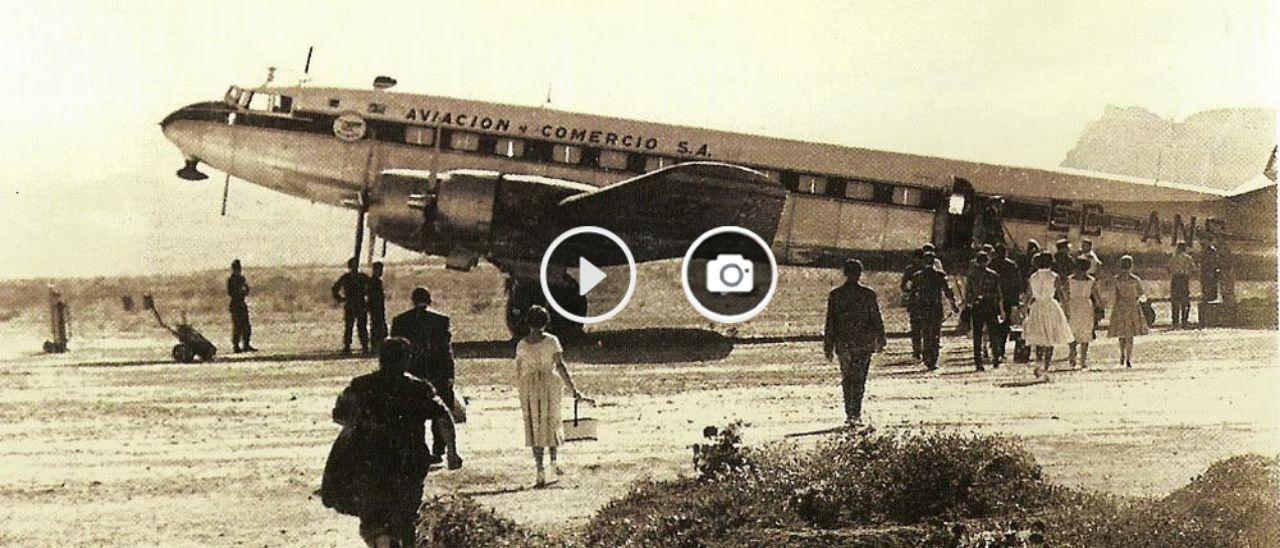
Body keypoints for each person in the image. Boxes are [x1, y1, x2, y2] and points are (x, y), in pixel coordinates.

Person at [321, 337, 462, 548]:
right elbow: (444, 418)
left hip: (371, 462)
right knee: (406, 515)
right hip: (409, 462)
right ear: (406, 360)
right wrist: (452, 452)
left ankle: (383, 540)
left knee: (375, 516)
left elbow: (339, 415)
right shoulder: (419, 388)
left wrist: (362, 424)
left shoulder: (361, 386)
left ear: (381, 360)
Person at [515, 305, 585, 487]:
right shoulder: (552, 341)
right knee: (552, 420)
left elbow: (519, 371)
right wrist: (573, 388)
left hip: (530, 385)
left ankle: (539, 469)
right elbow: (560, 365)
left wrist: (522, 391)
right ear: (546, 322)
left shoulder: (521, 345)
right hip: (549, 382)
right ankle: (553, 463)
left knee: (535, 424)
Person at [391, 287, 457, 462]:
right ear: (430, 300)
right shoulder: (442, 320)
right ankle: (438, 450)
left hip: (411, 371)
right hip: (437, 372)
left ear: (413, 300)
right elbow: (446, 351)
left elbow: (394, 351)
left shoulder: (400, 321)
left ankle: (417, 449)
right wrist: (450, 374)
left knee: (412, 414)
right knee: (439, 410)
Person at [824, 259, 886, 424]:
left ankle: (850, 413)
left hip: (844, 344)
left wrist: (828, 345)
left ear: (845, 273)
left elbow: (830, 323)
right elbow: (876, 319)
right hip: (863, 344)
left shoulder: (836, 295)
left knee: (847, 378)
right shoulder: (868, 295)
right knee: (859, 379)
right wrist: (881, 338)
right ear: (860, 274)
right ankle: (855, 413)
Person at [1022, 252, 1073, 378]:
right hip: (1050, 306)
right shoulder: (1054, 276)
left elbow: (1029, 295)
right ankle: (1046, 365)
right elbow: (1060, 293)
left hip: (1037, 306)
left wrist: (1024, 308)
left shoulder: (1032, 277)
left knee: (1039, 336)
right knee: (1050, 337)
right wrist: (1066, 307)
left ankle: (1039, 363)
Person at [909, 256, 958, 370]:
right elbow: (948, 291)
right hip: (936, 308)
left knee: (926, 333)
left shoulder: (918, 276)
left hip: (923, 308)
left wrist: (913, 307)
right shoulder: (939, 275)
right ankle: (934, 359)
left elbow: (912, 293)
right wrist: (953, 304)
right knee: (935, 334)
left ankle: (927, 358)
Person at [1109, 255, 1149, 368]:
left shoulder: (1117, 279)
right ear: (1131, 265)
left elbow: (1115, 295)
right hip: (1132, 306)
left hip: (1121, 306)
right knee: (1130, 334)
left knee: (1121, 333)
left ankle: (1122, 353)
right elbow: (1142, 294)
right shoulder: (1135, 279)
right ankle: (1128, 357)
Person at [1064, 257, 1102, 369]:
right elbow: (1096, 296)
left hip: (1073, 305)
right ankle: (1083, 359)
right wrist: (1099, 307)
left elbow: (1065, 294)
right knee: (1085, 331)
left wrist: (1065, 306)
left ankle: (1072, 354)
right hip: (1086, 305)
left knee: (1073, 330)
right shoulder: (1091, 281)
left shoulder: (1069, 280)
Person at [991, 245, 1023, 364]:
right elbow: (1017, 283)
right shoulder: (1012, 265)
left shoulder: (992, 264)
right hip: (1008, 299)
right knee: (1005, 326)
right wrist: (1016, 299)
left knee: (994, 324)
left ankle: (996, 349)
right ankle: (1001, 350)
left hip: (995, 299)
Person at [332, 257, 372, 354]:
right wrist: (340, 298)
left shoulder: (361, 277)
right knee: (349, 327)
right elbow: (335, 288)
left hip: (358, 304)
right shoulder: (348, 277)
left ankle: (364, 346)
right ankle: (348, 346)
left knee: (361, 326)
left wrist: (367, 296)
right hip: (352, 304)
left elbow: (371, 287)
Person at [900, 247, 931, 361]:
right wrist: (909, 291)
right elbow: (903, 285)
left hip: (922, 301)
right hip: (916, 302)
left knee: (923, 327)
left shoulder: (924, 270)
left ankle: (922, 349)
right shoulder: (910, 270)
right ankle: (917, 350)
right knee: (916, 327)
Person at [226, 259, 257, 353]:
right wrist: (240, 291)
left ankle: (246, 345)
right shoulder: (231, 280)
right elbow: (231, 292)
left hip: (241, 304)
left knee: (246, 326)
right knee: (237, 327)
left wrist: (244, 290)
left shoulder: (241, 279)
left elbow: (246, 290)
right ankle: (236, 346)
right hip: (235, 304)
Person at [1167, 243, 1197, 328]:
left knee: (1175, 301)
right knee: (1185, 301)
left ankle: (1175, 321)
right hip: (1184, 279)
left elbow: (1168, 268)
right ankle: (1184, 321)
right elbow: (1194, 269)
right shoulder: (1188, 258)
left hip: (1175, 279)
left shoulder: (1173, 257)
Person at [368, 262, 388, 353]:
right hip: (375, 307)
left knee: (378, 326)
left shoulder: (376, 281)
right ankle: (376, 346)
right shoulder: (374, 282)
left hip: (378, 307)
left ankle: (377, 346)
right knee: (377, 326)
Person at [1199, 241, 1221, 305]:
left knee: (1211, 283)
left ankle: (1211, 296)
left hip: (1211, 270)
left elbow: (1216, 261)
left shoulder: (1212, 251)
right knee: (1206, 283)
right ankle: (1207, 296)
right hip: (1207, 270)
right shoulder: (1205, 251)